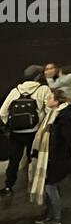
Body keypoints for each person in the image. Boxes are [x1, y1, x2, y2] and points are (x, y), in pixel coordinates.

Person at [1, 65, 53, 196]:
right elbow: (49, 110)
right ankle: (35, 186)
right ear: (38, 76)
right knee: (34, 159)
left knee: (14, 160)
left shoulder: (15, 90)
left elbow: (2, 111)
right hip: (34, 132)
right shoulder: (43, 89)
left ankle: (8, 186)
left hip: (16, 133)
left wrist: (10, 124)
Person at [29, 88, 71, 224]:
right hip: (50, 157)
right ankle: (49, 214)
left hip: (57, 158)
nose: (46, 100)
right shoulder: (51, 115)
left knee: (50, 187)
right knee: (48, 185)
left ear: (57, 101)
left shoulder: (63, 117)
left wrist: (54, 156)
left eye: (50, 98)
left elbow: (66, 140)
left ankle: (56, 217)